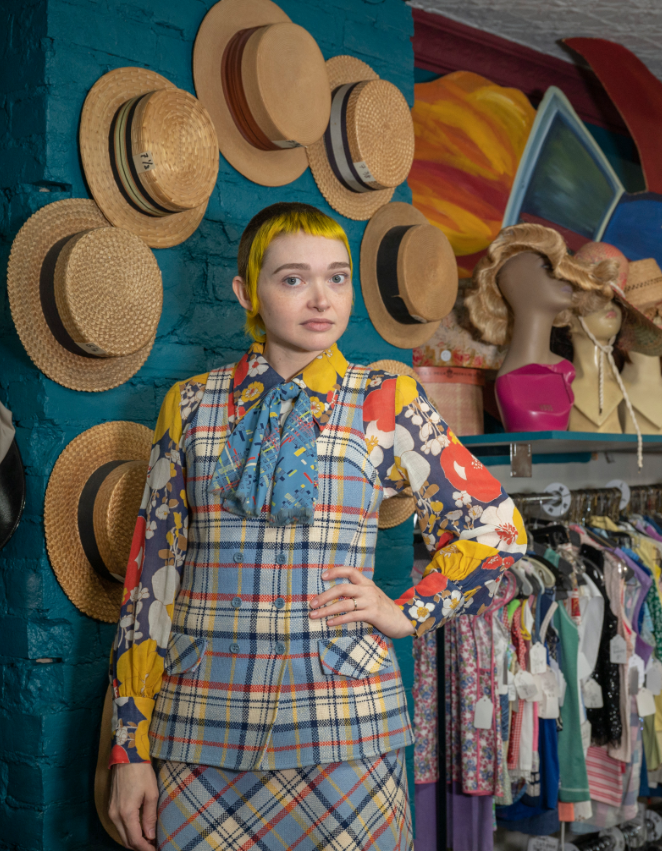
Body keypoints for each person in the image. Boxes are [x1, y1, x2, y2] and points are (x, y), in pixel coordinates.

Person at [106, 202, 527, 850]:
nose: (321, 298)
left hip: (348, 733)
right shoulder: (188, 406)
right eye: (293, 278)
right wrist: (127, 749)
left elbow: (497, 529)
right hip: (203, 730)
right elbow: (150, 583)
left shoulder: (387, 401)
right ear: (247, 290)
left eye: (336, 277)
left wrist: (405, 610)